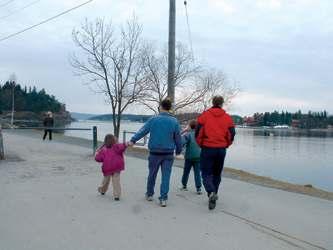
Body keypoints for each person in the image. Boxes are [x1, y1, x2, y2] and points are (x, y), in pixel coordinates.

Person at [129, 98, 182, 207]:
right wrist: (179, 150)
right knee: (166, 176)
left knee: (152, 174)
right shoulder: (174, 121)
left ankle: (149, 194)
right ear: (170, 108)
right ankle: (163, 198)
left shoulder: (153, 120)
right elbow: (178, 138)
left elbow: (143, 131)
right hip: (168, 153)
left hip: (154, 153)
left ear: (161, 107)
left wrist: (133, 140)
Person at [195, 96, 235, 210]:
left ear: (212, 102)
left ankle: (211, 192)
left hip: (207, 148)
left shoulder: (204, 116)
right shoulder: (227, 118)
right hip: (221, 149)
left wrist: (201, 144)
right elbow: (232, 134)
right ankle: (214, 193)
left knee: (206, 173)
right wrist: (226, 144)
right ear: (222, 104)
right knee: (217, 173)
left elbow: (198, 133)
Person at [95, 134, 128, 201]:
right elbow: (122, 146)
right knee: (116, 181)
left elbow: (98, 159)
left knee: (105, 180)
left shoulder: (103, 150)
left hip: (107, 167)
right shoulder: (116, 146)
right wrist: (126, 144)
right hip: (117, 166)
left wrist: (97, 153)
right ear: (114, 140)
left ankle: (102, 190)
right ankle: (117, 195)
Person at [180, 120, 202, 194]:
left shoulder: (188, 134)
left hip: (189, 156)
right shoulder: (200, 135)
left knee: (186, 172)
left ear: (189, 126)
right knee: (197, 173)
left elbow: (181, 142)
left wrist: (184, 131)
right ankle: (198, 188)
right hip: (199, 156)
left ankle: (184, 185)